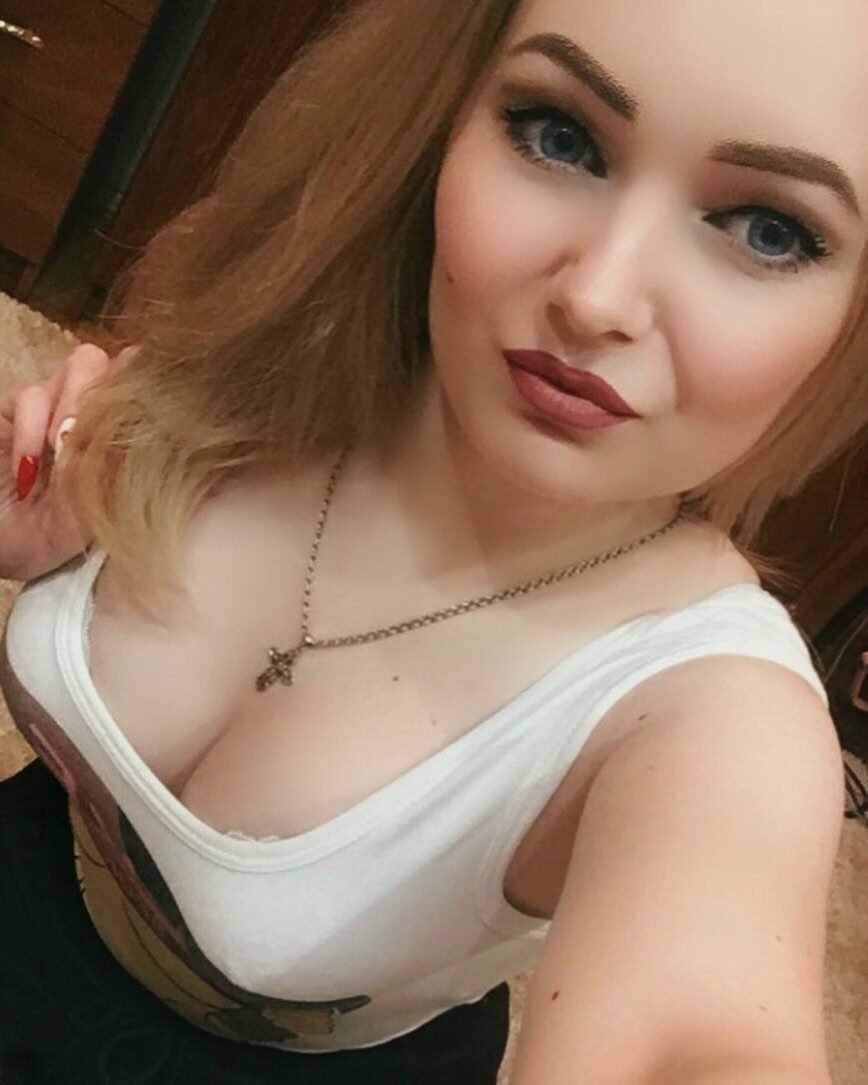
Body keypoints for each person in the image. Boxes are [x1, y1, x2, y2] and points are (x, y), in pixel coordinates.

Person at [0, 0, 865, 1081]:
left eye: (768, 230)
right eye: (560, 136)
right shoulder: (273, 373)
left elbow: (698, 1035)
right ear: (443, 118)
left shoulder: (717, 721)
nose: (597, 298)